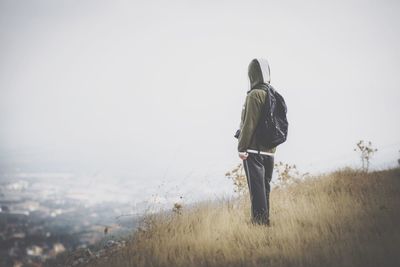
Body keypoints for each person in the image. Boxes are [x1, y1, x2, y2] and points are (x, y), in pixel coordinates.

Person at [237, 58, 276, 226]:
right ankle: (265, 220)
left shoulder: (254, 95)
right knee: (264, 187)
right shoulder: (272, 93)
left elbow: (249, 124)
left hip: (254, 151)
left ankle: (259, 223)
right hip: (270, 151)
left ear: (252, 74)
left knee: (256, 189)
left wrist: (241, 147)